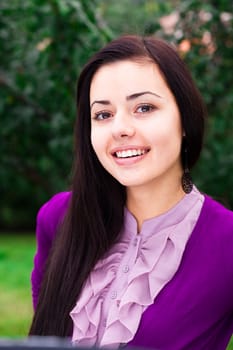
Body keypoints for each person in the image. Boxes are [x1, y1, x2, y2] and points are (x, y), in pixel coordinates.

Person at [29, 35, 233, 349]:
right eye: (103, 114)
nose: (120, 128)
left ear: (184, 118)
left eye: (144, 107)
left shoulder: (227, 242)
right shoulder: (57, 218)